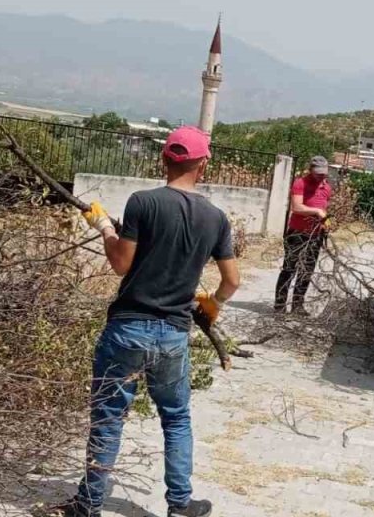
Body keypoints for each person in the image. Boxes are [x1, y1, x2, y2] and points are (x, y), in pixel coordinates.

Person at [65, 125, 240, 517]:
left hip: (126, 330)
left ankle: (88, 505)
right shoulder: (215, 218)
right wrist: (212, 304)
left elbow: (120, 263)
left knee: (108, 418)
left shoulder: (142, 202)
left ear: (164, 159)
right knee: (176, 419)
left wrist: (104, 227)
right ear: (203, 164)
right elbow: (232, 280)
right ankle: (179, 505)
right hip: (173, 335)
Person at [274, 155, 332, 314]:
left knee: (307, 271)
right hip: (297, 233)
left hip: (315, 235)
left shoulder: (327, 188)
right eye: (318, 173)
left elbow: (324, 209)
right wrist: (317, 211)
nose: (321, 176)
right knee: (289, 269)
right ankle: (280, 306)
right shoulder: (300, 183)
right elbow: (297, 207)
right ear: (310, 170)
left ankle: (298, 305)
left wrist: (325, 222)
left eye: (323, 173)